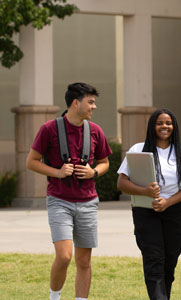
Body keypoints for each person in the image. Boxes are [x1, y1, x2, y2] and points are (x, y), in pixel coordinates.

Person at [26, 82, 112, 300]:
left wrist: (93, 172)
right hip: (59, 201)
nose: (94, 107)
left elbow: (105, 162)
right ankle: (54, 297)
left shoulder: (95, 131)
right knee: (64, 257)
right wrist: (57, 172)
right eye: (90, 102)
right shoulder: (49, 129)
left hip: (88, 202)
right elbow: (31, 162)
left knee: (84, 261)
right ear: (76, 103)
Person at [117, 108, 181, 300]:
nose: (164, 126)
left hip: (173, 210)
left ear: (174, 126)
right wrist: (145, 191)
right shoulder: (138, 150)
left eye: (168, 123)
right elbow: (121, 183)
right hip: (145, 211)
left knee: (170, 260)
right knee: (154, 259)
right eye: (159, 123)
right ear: (152, 126)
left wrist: (169, 202)